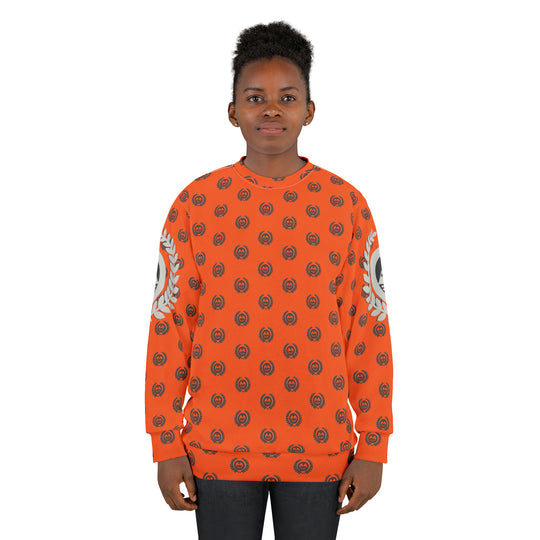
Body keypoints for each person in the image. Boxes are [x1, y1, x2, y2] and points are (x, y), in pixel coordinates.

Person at [144, 20, 394, 540]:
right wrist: (165, 442)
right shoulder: (196, 204)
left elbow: (368, 329)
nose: (272, 110)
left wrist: (373, 445)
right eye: (255, 97)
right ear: (233, 111)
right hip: (216, 447)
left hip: (321, 448)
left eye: (287, 97)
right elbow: (169, 326)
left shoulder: (346, 206)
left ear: (310, 110)